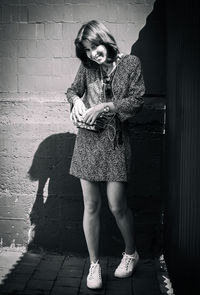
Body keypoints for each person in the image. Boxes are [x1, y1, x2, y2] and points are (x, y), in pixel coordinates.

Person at [65, 20, 145, 290]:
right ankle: (94, 265)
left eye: (93, 46)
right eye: (86, 51)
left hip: (116, 143)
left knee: (116, 206)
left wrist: (105, 107)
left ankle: (131, 253)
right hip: (87, 142)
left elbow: (136, 101)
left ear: (104, 39)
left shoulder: (131, 63)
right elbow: (72, 90)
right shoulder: (87, 67)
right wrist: (77, 102)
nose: (91, 54)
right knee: (91, 206)